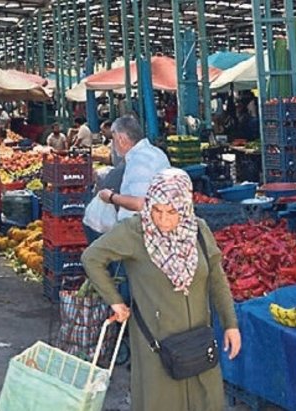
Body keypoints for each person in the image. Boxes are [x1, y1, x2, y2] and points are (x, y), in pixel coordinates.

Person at [81, 168, 241, 411]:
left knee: (205, 400)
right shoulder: (135, 231)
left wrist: (231, 324)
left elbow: (217, 279)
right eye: (157, 210)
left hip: (197, 345)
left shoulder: (198, 231)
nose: (163, 220)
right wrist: (115, 301)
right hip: (156, 348)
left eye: (172, 212)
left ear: (185, 207)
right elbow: (92, 257)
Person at [96, 115, 170, 221]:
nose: (114, 144)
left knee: (98, 233)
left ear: (121, 139)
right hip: (156, 218)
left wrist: (111, 197)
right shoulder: (155, 152)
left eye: (114, 139)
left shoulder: (139, 160)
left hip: (141, 224)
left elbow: (140, 203)